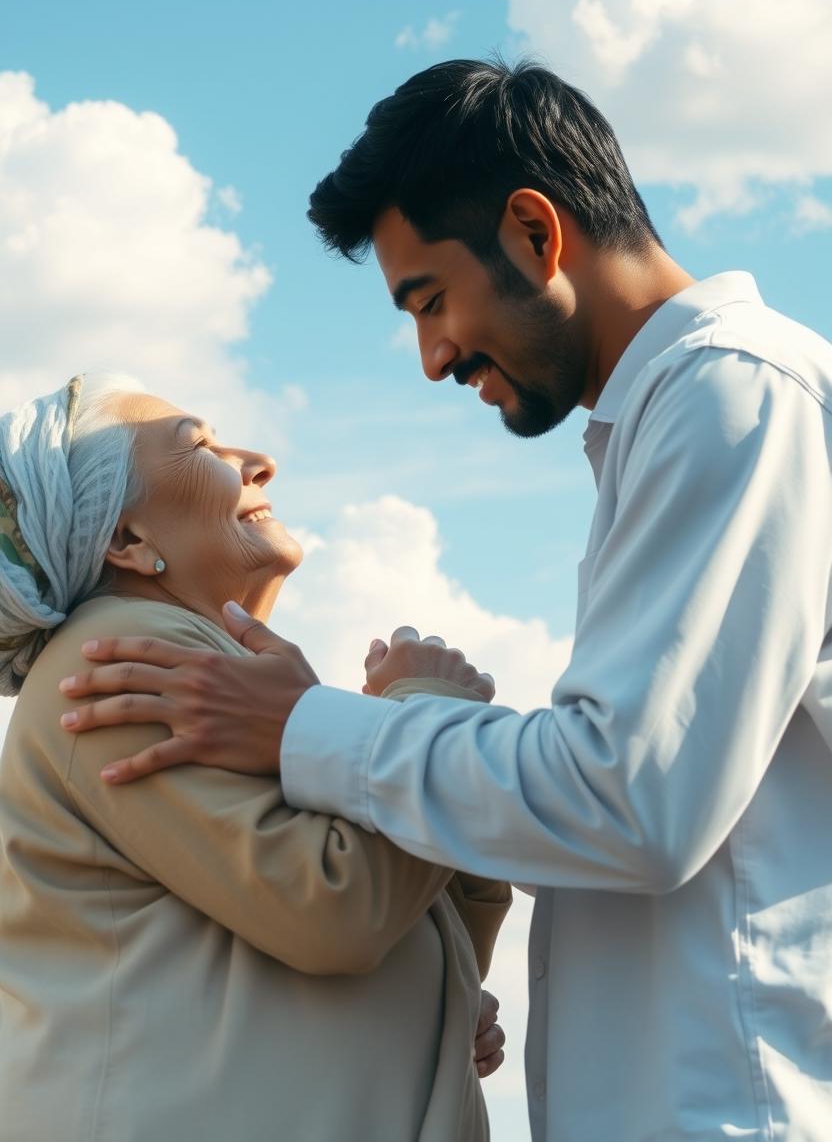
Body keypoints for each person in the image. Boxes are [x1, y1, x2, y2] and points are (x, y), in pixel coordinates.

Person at [61, 60, 832, 1141]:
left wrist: (312, 727)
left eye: (429, 299)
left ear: (533, 231)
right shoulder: (670, 419)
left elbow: (635, 797)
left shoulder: (734, 394)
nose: (431, 356)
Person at [0, 372, 511, 1142]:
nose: (260, 459)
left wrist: (442, 991)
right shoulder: (119, 661)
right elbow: (337, 908)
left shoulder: (201, 673)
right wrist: (426, 720)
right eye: (199, 443)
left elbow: (375, 930)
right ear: (126, 542)